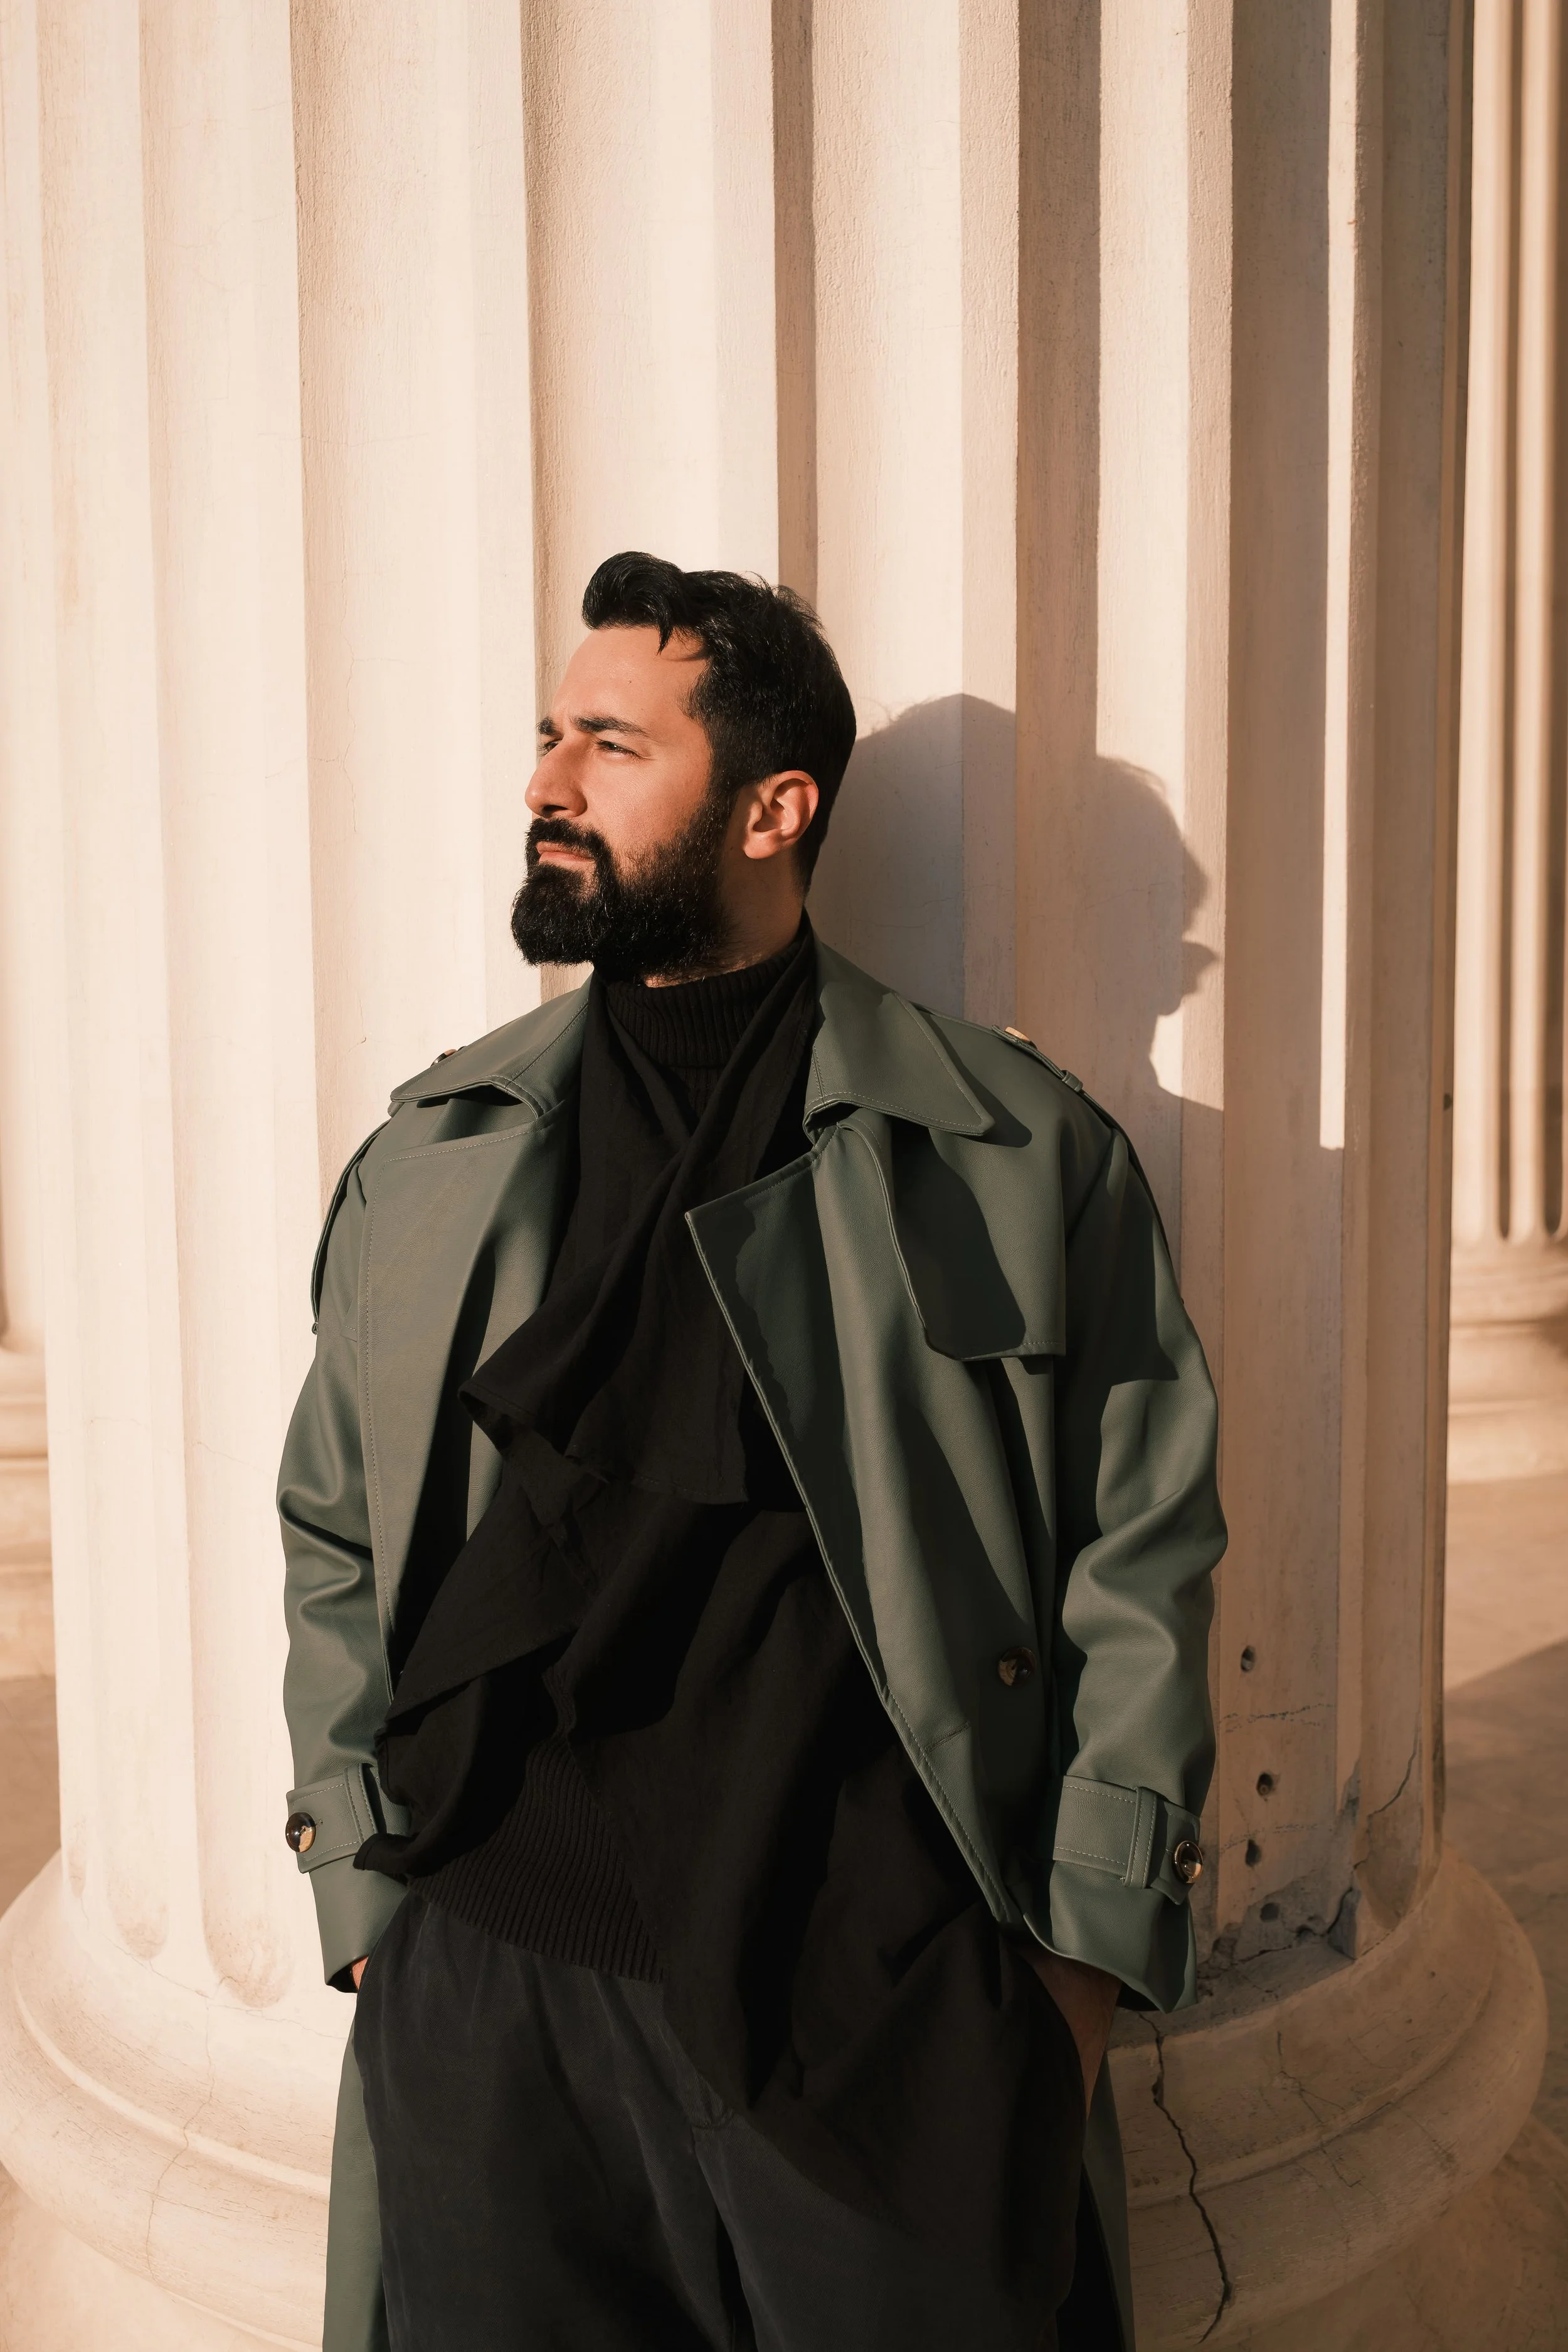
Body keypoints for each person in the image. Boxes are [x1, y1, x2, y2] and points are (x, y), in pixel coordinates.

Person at [279, 552, 1224, 2352]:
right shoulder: (444, 1149)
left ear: (775, 806)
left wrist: (1075, 1971)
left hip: (872, 1999)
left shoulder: (1010, 1149)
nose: (548, 781)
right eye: (549, 736)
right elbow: (330, 1523)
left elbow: (1140, 1548)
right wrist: (369, 1908)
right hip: (489, 1984)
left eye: (610, 744)